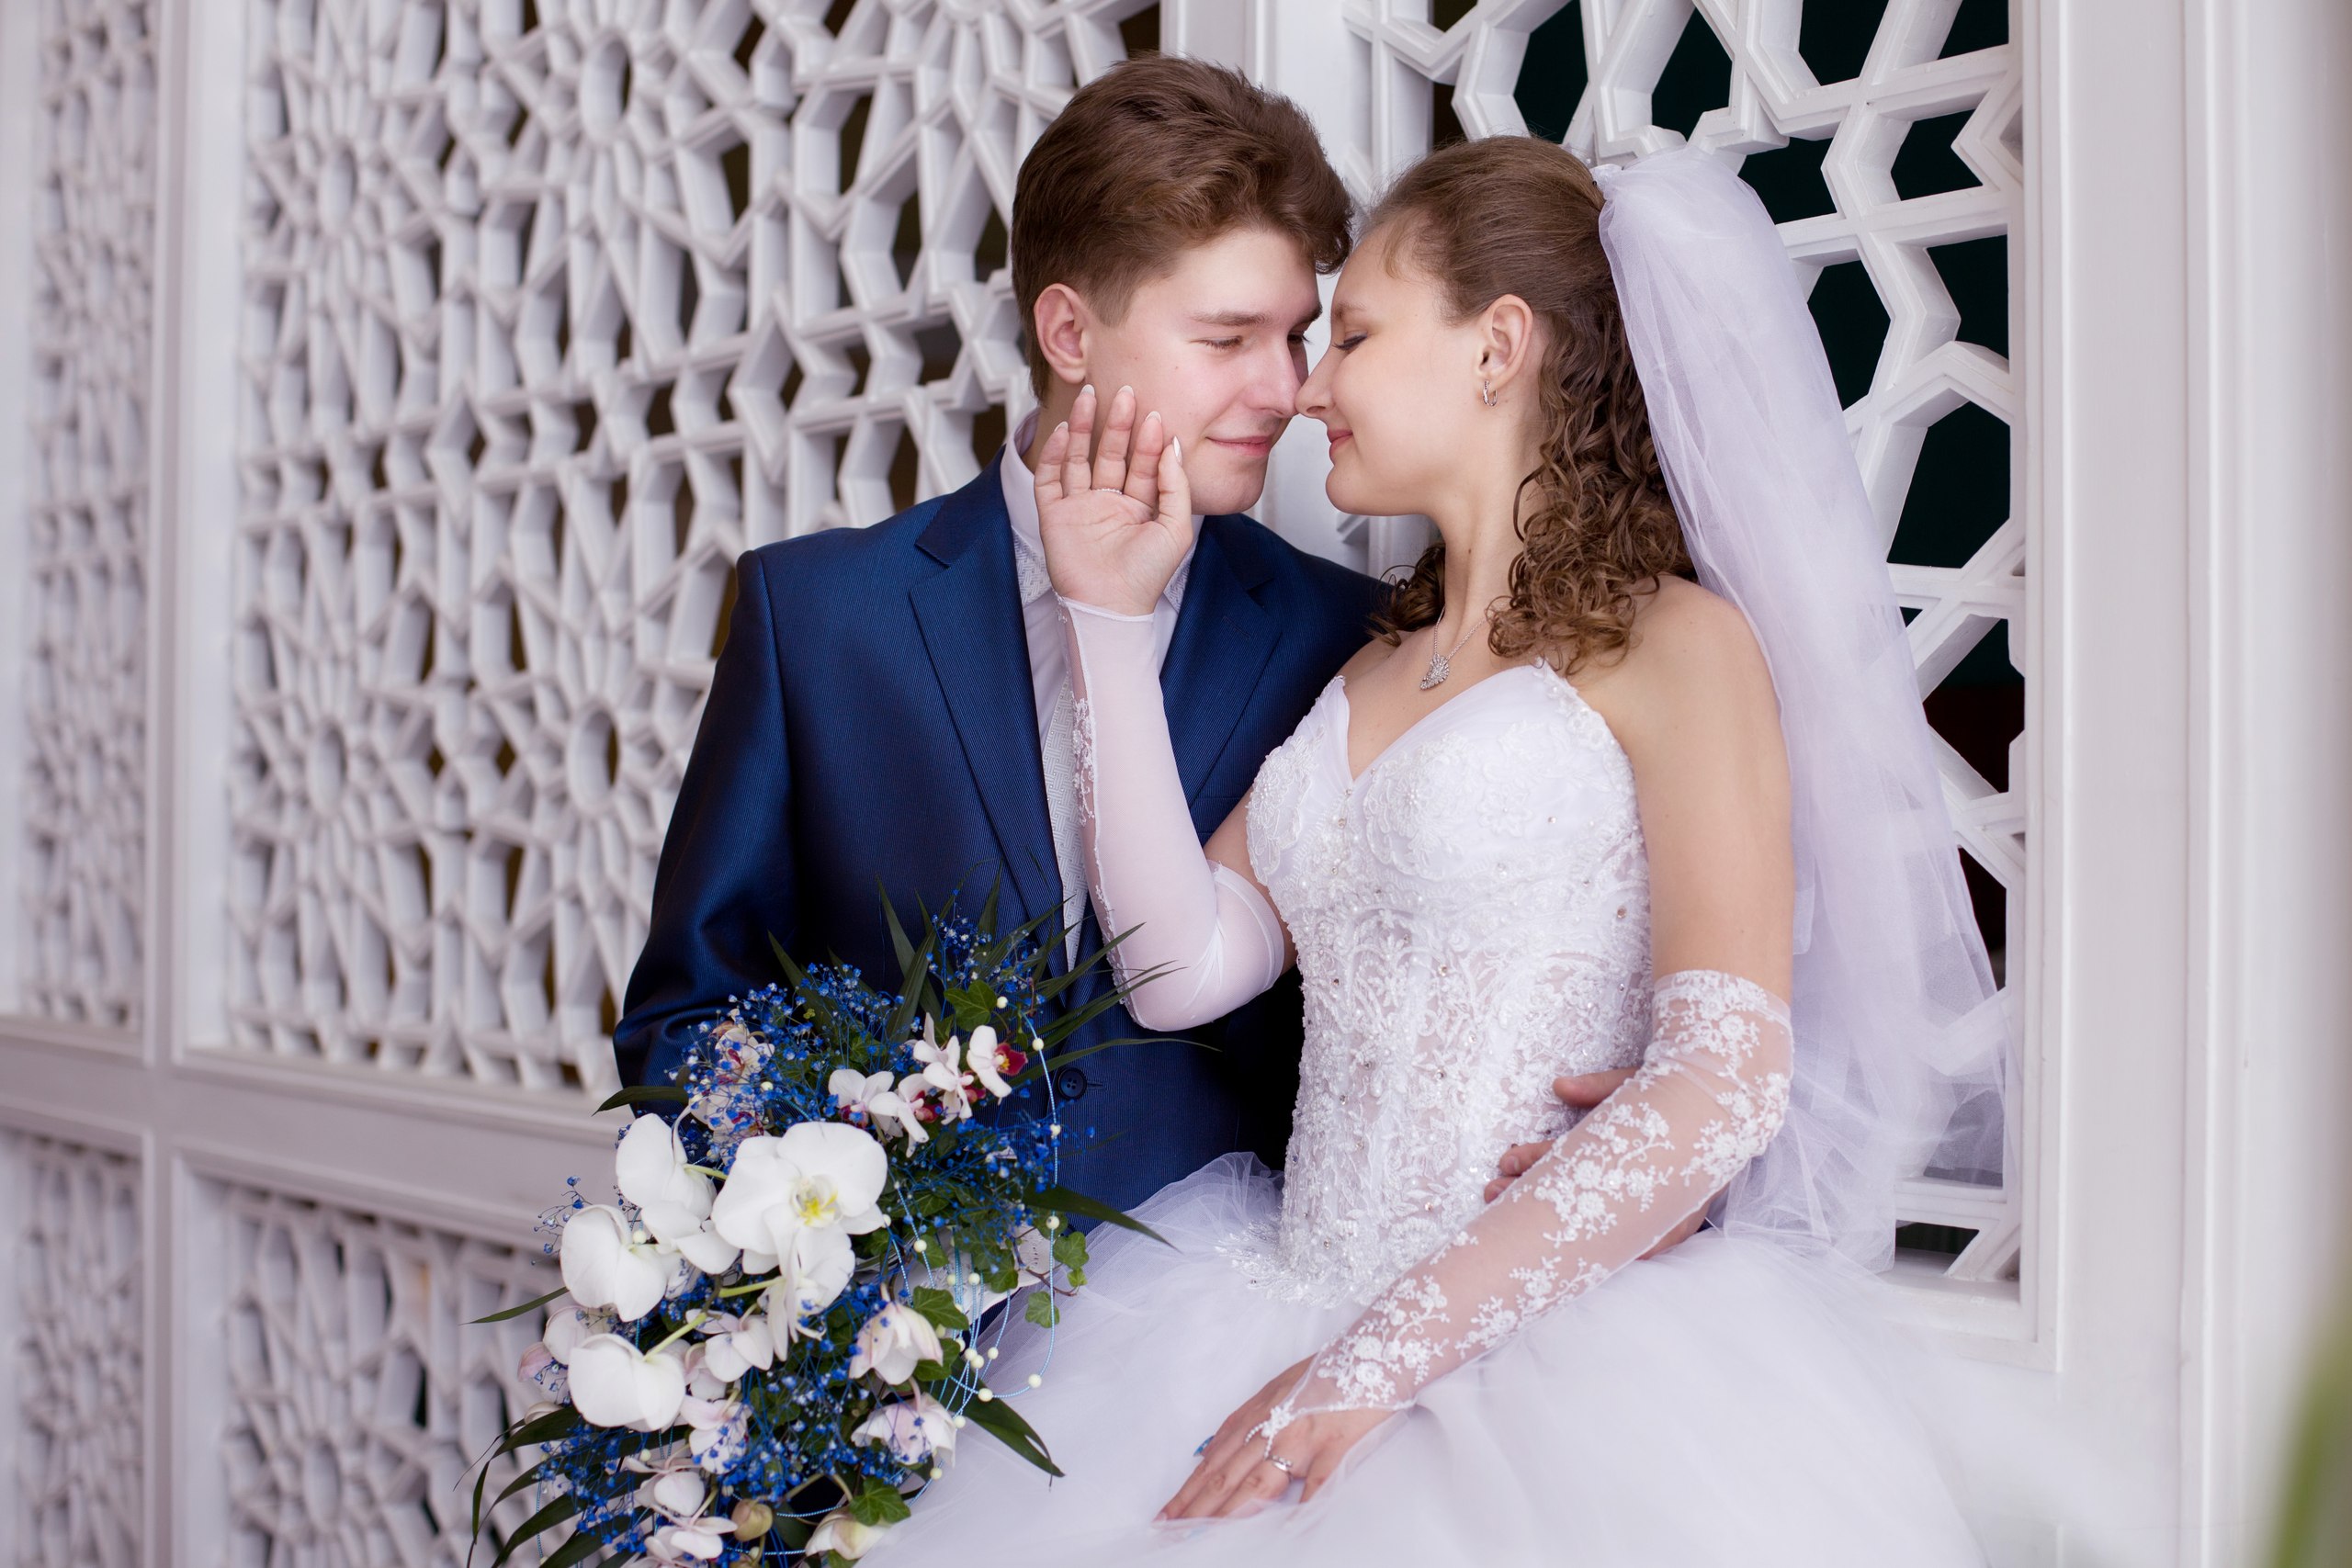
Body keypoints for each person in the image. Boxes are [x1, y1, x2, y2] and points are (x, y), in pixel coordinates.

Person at [866, 137, 2018, 1564]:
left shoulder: (1679, 645)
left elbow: (1724, 1074)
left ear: (1499, 346)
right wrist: (1103, 616)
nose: (1309, 388)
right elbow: (1177, 969)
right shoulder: (1366, 669)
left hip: (1542, 1371)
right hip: (1273, 1298)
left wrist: (1372, 1361)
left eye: (1351, 334)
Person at [610, 58, 1654, 1218]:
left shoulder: (1349, 637)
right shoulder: (815, 617)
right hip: (890, 1319)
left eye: (1299, 337)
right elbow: (690, 1014)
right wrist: (799, 1239)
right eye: (1227, 338)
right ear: (1069, 331)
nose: (1286, 390)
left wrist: (1630, 1145)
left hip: (1231, 1308)